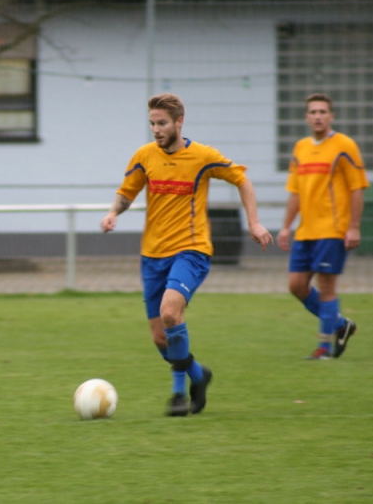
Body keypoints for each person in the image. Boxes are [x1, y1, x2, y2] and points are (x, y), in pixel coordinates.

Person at [100, 93, 273, 416]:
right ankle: (198, 374)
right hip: (152, 255)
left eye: (162, 123)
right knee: (160, 338)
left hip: (191, 250)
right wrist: (113, 213)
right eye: (152, 123)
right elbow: (127, 192)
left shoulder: (202, 156)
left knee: (170, 313)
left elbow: (242, 180)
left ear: (179, 122)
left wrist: (254, 222)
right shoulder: (144, 156)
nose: (156, 129)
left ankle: (178, 394)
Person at [277, 93, 370, 360]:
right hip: (305, 231)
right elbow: (295, 192)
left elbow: (357, 188)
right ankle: (341, 324)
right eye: (313, 112)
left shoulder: (345, 145)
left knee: (327, 287)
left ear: (331, 116)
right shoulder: (300, 148)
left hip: (332, 230)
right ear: (306, 117)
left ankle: (324, 348)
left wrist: (353, 227)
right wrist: (286, 227)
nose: (318, 116)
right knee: (296, 286)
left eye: (322, 112)